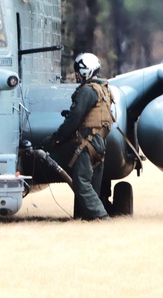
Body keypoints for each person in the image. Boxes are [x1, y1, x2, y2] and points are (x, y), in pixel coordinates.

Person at [44, 53, 114, 220]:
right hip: (100, 143)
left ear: (85, 71)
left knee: (81, 182)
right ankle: (86, 219)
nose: (76, 76)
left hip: (87, 142)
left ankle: (102, 217)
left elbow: (74, 120)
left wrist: (56, 139)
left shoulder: (87, 91)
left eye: (78, 72)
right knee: (92, 185)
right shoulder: (103, 89)